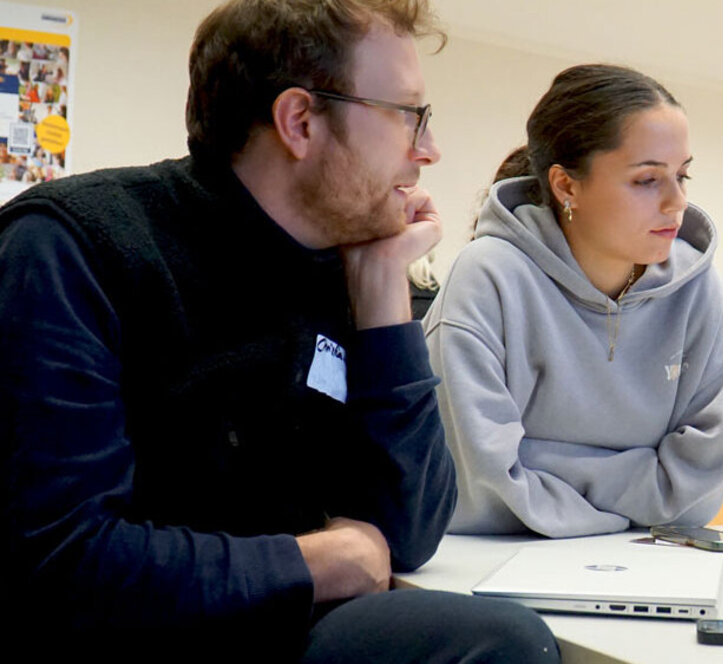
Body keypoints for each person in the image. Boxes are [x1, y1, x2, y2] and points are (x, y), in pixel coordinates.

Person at [0, 1, 558, 662]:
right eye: (410, 116)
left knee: (499, 638)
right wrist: (316, 562)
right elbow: (60, 561)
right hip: (121, 642)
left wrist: (382, 288)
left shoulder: (345, 270)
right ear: (299, 121)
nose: (429, 151)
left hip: (281, 631)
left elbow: (407, 533)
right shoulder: (73, 247)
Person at [423, 64, 723, 538]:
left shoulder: (698, 289)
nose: (677, 202)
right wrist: (639, 486)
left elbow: (695, 495)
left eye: (683, 175)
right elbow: (481, 491)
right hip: (491, 561)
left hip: (645, 561)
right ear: (566, 185)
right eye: (647, 180)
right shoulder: (488, 277)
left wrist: (536, 461)